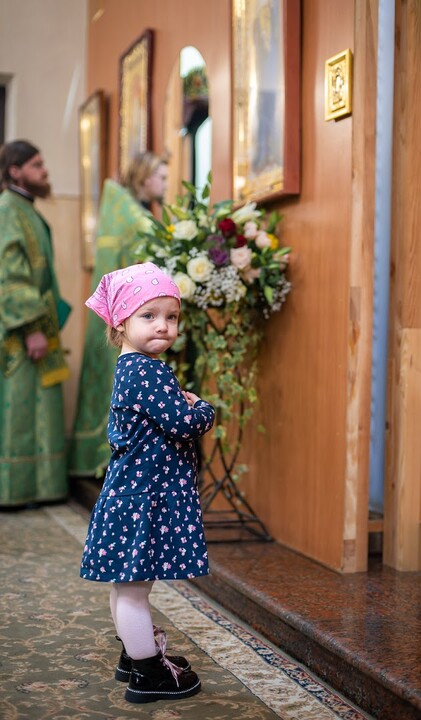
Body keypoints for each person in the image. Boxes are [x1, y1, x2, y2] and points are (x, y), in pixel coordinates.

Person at [79, 262, 215, 703]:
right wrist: (203, 409)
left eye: (171, 316)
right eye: (149, 315)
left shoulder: (131, 366)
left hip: (131, 493)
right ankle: (148, 673)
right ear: (121, 322)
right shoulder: (148, 372)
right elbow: (182, 424)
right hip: (144, 497)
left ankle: (132, 653)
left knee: (127, 585)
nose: (163, 326)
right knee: (135, 591)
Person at [69, 152, 169, 477]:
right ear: (145, 178)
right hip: (137, 319)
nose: (166, 184)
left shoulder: (125, 209)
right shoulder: (136, 218)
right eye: (162, 177)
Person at [0, 140, 70, 507]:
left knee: (39, 407)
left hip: (37, 323)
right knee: (21, 409)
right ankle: (14, 489)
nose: (45, 171)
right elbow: (9, 274)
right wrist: (32, 328)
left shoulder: (25, 208)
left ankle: (37, 487)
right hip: (20, 331)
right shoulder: (8, 209)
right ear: (15, 171)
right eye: (36, 165)